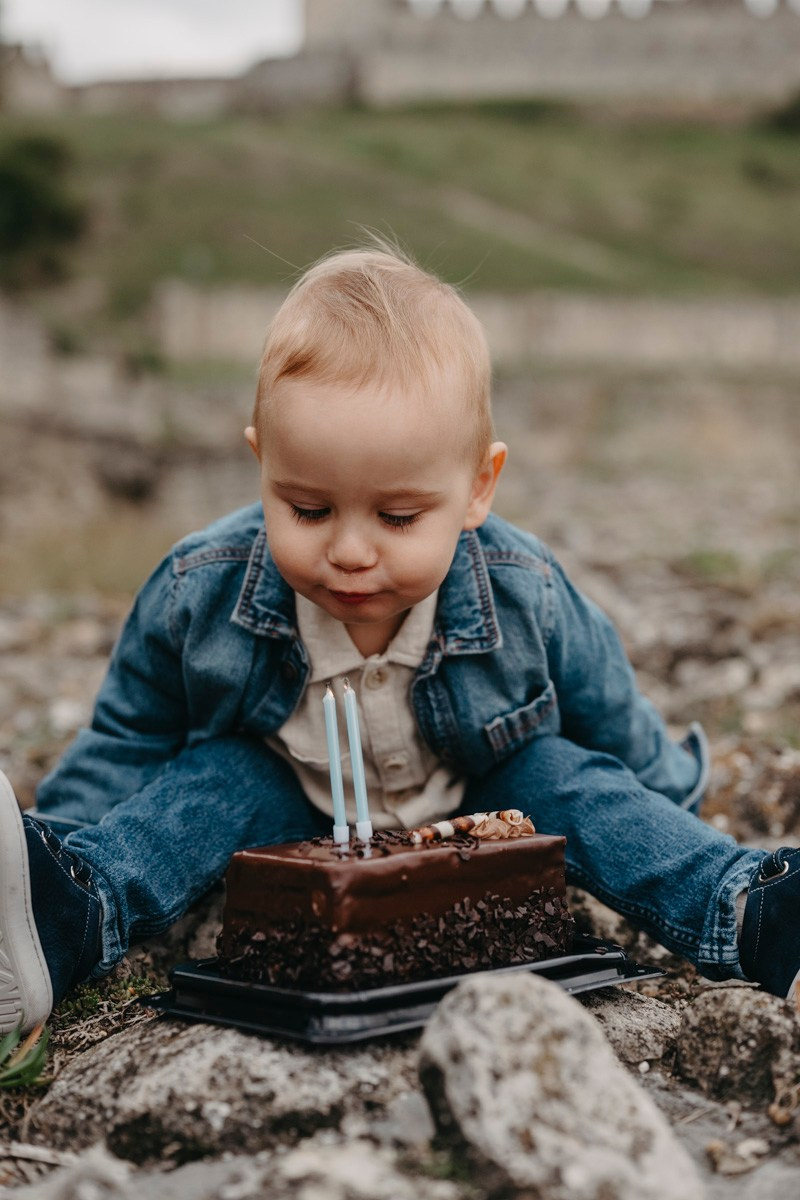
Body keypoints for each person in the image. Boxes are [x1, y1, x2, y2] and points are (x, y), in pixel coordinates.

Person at [1, 245, 797, 1036]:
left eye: (398, 517)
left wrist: (670, 811)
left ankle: (755, 910)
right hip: (293, 809)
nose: (350, 550)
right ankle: (65, 913)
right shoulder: (201, 589)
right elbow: (130, 735)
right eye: (308, 510)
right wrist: (64, 839)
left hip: (481, 799)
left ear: (478, 487)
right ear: (262, 464)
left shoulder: (523, 588)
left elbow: (610, 717)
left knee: (564, 774)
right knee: (220, 776)